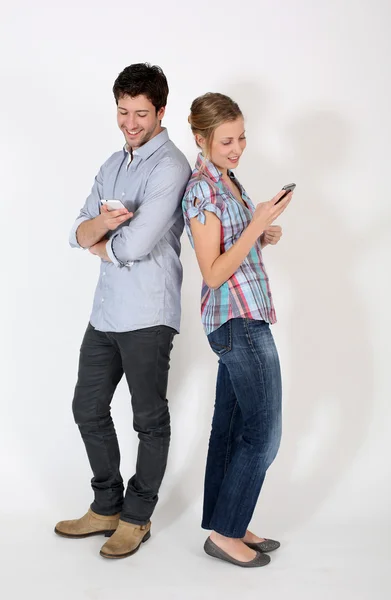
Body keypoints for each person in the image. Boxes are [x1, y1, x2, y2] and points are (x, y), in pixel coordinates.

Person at [54, 63, 191, 560]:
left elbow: (133, 244)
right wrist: (95, 230)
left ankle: (137, 517)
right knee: (86, 409)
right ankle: (106, 505)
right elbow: (74, 230)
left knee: (149, 420)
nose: (130, 122)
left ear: (160, 112)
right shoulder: (112, 162)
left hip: (149, 315)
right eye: (123, 111)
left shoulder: (171, 166)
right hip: (107, 312)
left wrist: (100, 235)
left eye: (140, 113)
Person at [182, 93, 293, 568]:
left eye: (242, 136)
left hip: (244, 315)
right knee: (263, 433)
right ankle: (226, 533)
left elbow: (237, 245)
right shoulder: (201, 191)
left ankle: (227, 521)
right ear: (201, 138)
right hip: (237, 321)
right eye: (226, 140)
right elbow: (211, 271)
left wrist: (262, 228)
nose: (238, 147)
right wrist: (256, 226)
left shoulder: (227, 180)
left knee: (229, 430)